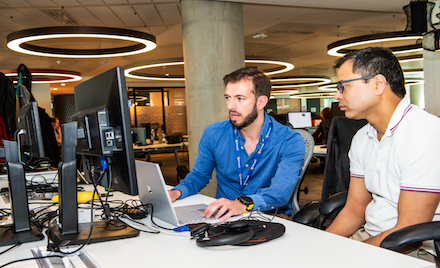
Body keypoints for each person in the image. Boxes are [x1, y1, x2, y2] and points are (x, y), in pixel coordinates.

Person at [325, 47, 440, 260]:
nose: (336, 95)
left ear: (378, 84)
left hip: (414, 249)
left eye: (343, 86)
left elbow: (410, 231)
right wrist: (319, 245)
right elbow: (354, 210)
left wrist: (349, 255)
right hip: (371, 238)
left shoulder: (424, 134)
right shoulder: (362, 137)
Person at [168, 67, 305, 221]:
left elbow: (280, 192)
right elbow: (199, 175)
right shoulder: (214, 133)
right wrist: (175, 192)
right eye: (228, 97)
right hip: (223, 218)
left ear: (261, 102)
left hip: (269, 217)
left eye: (240, 98)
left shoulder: (290, 140)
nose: (230, 106)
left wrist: (242, 204)